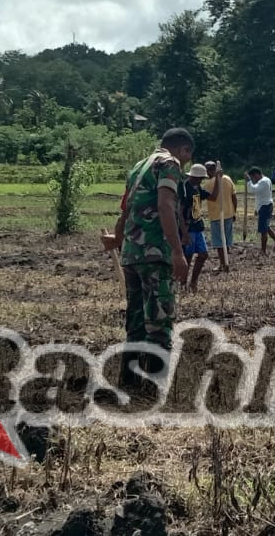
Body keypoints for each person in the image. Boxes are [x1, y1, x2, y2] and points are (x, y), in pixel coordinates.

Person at [102, 128, 194, 393]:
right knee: (159, 323)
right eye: (187, 157)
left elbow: (126, 209)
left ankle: (129, 382)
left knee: (136, 322)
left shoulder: (139, 167)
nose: (185, 163)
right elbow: (166, 205)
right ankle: (154, 390)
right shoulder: (169, 164)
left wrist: (118, 238)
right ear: (183, 150)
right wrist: (177, 251)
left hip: (132, 254)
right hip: (155, 254)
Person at [181, 164, 212, 292]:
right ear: (193, 176)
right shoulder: (184, 188)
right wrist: (184, 232)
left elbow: (213, 196)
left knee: (203, 254)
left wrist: (218, 178)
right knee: (187, 257)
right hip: (188, 227)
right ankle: (183, 283)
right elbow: (180, 210)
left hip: (197, 225)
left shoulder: (197, 187)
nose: (201, 180)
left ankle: (193, 282)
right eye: (199, 178)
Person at [203, 161, 237, 273]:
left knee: (219, 243)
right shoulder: (227, 179)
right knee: (226, 241)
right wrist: (234, 212)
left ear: (209, 171)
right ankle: (225, 261)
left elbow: (211, 198)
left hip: (216, 216)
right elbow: (234, 197)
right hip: (228, 214)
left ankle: (223, 264)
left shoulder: (208, 184)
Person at [245, 167, 275, 255]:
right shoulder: (266, 180)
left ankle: (263, 250)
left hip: (265, 207)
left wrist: (248, 181)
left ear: (256, 175)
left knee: (263, 230)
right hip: (264, 205)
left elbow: (253, 190)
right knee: (266, 227)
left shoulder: (263, 182)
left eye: (253, 178)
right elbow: (260, 195)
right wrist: (257, 208)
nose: (254, 180)